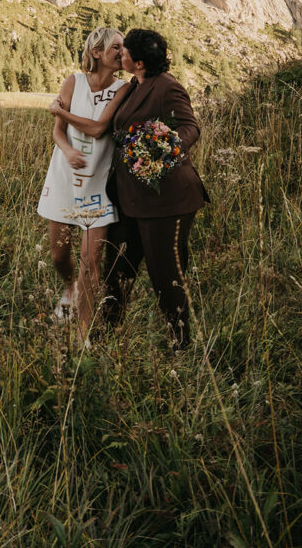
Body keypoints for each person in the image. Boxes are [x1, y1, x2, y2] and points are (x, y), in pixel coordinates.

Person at [49, 28, 208, 348]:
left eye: (124, 51)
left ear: (136, 60)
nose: (119, 55)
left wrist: (163, 149)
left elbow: (191, 127)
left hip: (167, 201)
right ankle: (107, 331)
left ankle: (181, 342)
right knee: (118, 268)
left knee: (166, 274)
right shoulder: (135, 84)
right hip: (129, 199)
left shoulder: (167, 87)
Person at [38, 27, 131, 342]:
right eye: (116, 47)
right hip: (65, 176)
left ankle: (82, 335)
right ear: (96, 52)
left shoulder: (123, 88)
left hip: (99, 183)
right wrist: (67, 150)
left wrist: (59, 109)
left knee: (92, 263)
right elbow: (57, 132)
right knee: (58, 255)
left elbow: (98, 128)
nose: (122, 52)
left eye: (124, 47)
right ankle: (69, 288)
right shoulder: (73, 81)